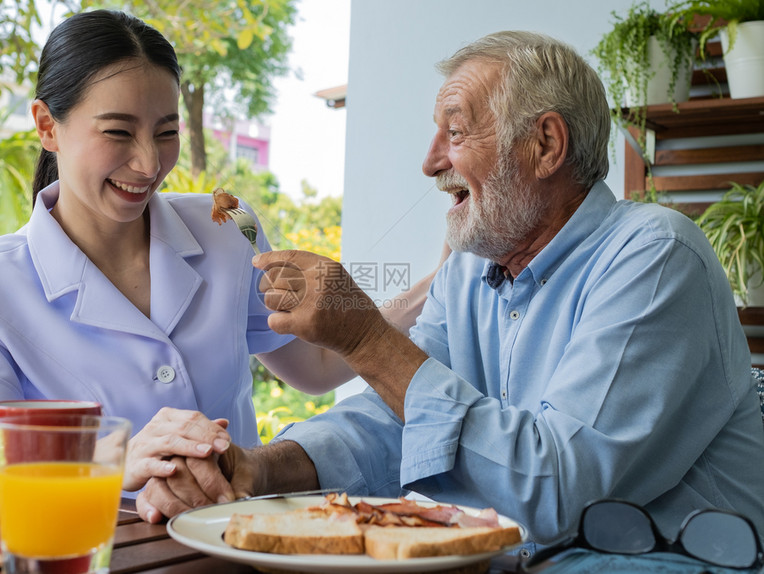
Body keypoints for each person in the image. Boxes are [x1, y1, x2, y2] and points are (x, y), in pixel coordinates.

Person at [134, 30, 764, 547]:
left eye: (456, 133)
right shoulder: (470, 270)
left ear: (546, 144)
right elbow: (392, 420)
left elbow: (559, 492)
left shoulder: (654, 255)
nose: (431, 161)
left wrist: (365, 337)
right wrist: (258, 467)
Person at [0, 9, 440, 513]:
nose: (149, 163)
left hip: (236, 549)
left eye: (166, 132)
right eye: (118, 132)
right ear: (47, 125)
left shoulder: (229, 229)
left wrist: (441, 279)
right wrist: (114, 462)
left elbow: (319, 366)